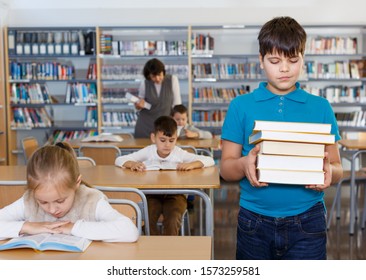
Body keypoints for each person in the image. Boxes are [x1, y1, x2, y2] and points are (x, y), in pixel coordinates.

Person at [220, 16, 343, 260]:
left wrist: (330, 172)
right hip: (253, 220)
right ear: (261, 61)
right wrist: (244, 165)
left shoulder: (321, 107)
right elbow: (226, 168)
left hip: (308, 220)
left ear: (303, 59)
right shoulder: (240, 106)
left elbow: (338, 168)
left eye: (293, 60)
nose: (284, 68)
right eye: (275, 61)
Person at [0, 142, 139, 242]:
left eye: (60, 201)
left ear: (76, 183)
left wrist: (73, 228)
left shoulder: (91, 200)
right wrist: (28, 226)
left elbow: (129, 231)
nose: (52, 209)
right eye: (42, 202)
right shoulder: (29, 200)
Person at [115, 116, 215, 235]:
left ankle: (170, 250)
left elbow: (210, 160)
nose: (167, 145)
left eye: (171, 140)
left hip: (176, 195)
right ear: (153, 138)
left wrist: (192, 164)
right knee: (146, 218)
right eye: (162, 140)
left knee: (173, 219)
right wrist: (132, 163)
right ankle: (153, 248)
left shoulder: (179, 153)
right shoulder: (149, 151)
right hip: (152, 195)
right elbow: (119, 159)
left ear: (176, 139)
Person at [134, 58, 182, 138]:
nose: (157, 79)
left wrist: (177, 124)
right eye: (153, 76)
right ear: (149, 75)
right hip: (145, 126)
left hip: (165, 126)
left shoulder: (172, 80)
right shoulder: (144, 83)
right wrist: (138, 106)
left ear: (163, 72)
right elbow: (139, 106)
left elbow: (177, 105)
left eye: (159, 75)